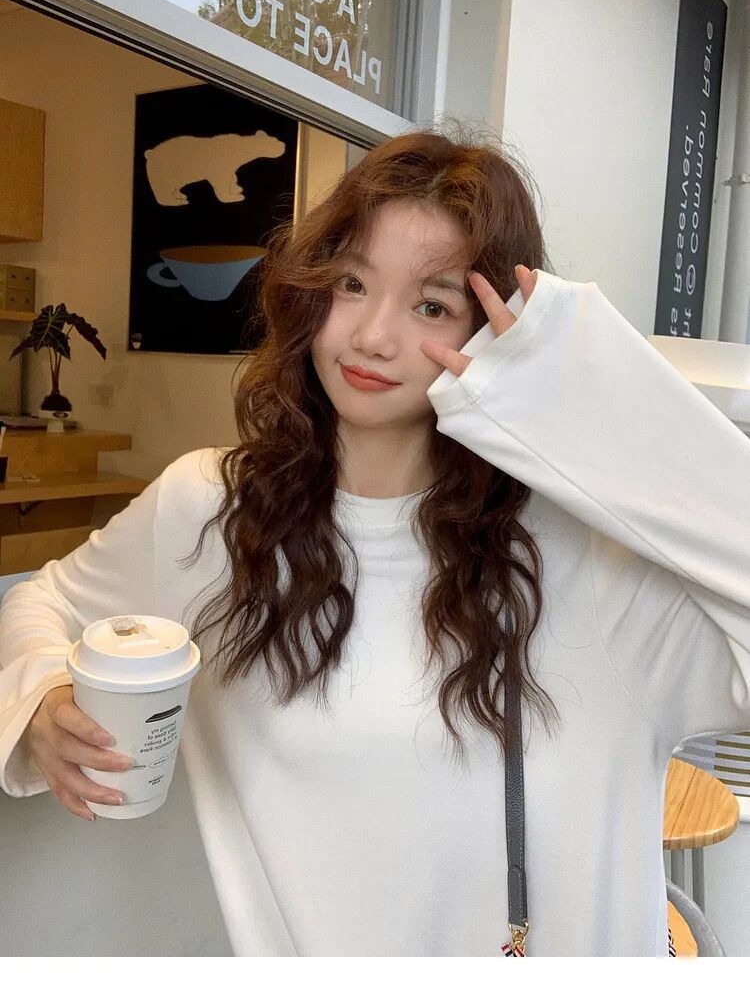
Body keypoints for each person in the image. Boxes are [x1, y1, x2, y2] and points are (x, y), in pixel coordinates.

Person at [1, 122, 749, 957]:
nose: (372, 337)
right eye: (351, 284)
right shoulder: (213, 509)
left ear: (496, 332)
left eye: (432, 305)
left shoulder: (593, 557)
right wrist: (42, 699)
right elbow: (42, 601)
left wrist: (599, 394)